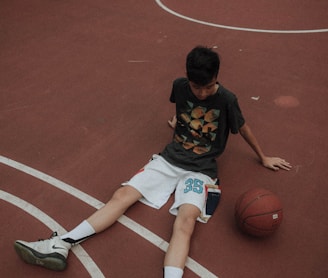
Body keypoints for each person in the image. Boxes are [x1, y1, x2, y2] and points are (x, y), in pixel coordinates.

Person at [14, 46, 292, 277]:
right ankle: (60, 244)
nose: (201, 93)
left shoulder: (227, 99)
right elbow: (183, 109)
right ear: (187, 79)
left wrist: (263, 157)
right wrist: (178, 122)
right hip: (169, 159)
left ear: (216, 78)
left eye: (206, 87)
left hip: (202, 169)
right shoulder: (180, 87)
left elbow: (242, 127)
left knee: (185, 221)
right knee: (121, 196)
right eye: (196, 86)